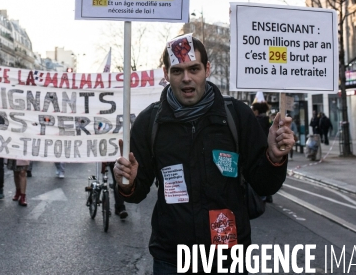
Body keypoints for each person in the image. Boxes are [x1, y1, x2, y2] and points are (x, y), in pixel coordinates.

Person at [113, 34, 293, 273]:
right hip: (173, 258)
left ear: (207, 69)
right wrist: (128, 182)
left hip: (229, 257)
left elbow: (264, 184)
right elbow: (135, 194)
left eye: (194, 69)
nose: (186, 78)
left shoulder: (237, 116)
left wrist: (275, 156)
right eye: (177, 71)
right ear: (166, 74)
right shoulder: (149, 122)